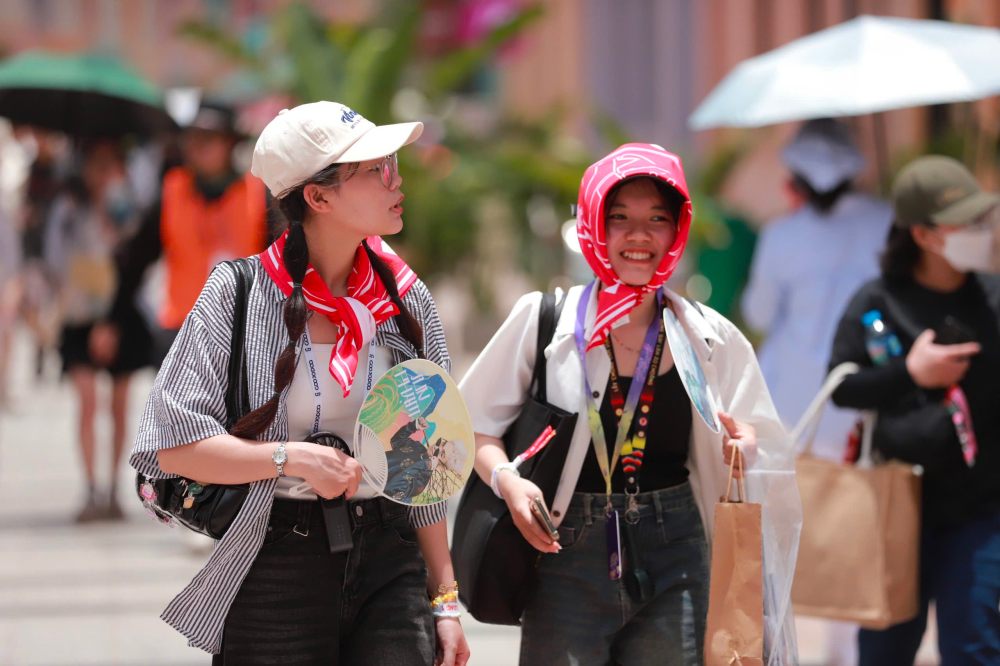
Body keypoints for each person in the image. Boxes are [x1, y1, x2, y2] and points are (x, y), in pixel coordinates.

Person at [129, 101, 470, 665]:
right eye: (377, 169)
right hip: (274, 560)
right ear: (318, 197)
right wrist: (292, 459)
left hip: (390, 558)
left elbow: (427, 465)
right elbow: (174, 445)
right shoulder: (238, 295)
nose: (397, 179)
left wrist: (446, 600)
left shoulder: (404, 298)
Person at [460, 143, 800, 665]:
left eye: (656, 219)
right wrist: (508, 481)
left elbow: (760, 437)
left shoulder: (709, 337)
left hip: (679, 547)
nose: (639, 236)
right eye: (619, 218)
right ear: (594, 224)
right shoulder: (546, 320)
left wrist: (744, 444)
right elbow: (474, 425)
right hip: (563, 550)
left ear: (677, 230)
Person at [828, 155, 1000, 665]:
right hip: (894, 507)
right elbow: (842, 388)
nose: (981, 231)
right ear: (924, 235)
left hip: (982, 510)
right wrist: (912, 374)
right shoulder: (877, 300)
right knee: (886, 650)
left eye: (982, 219)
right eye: (966, 222)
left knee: (975, 646)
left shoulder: (993, 298)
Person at [742, 118, 892, 461]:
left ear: (796, 179)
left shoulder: (781, 233)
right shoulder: (886, 221)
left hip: (792, 406)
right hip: (863, 402)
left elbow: (759, 315)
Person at [109, 99, 269, 366]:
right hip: (179, 331)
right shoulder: (172, 191)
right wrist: (113, 319)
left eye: (210, 138)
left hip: (241, 334)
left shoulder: (258, 196)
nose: (199, 146)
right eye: (194, 137)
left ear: (229, 144)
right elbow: (135, 260)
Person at [45, 139, 148, 521]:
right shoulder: (68, 207)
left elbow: (137, 256)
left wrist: (113, 216)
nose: (102, 174)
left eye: (110, 165)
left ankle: (112, 485)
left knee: (118, 404)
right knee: (87, 401)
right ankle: (91, 486)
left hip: (120, 316)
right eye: (96, 165)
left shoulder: (126, 206)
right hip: (79, 316)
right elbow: (56, 258)